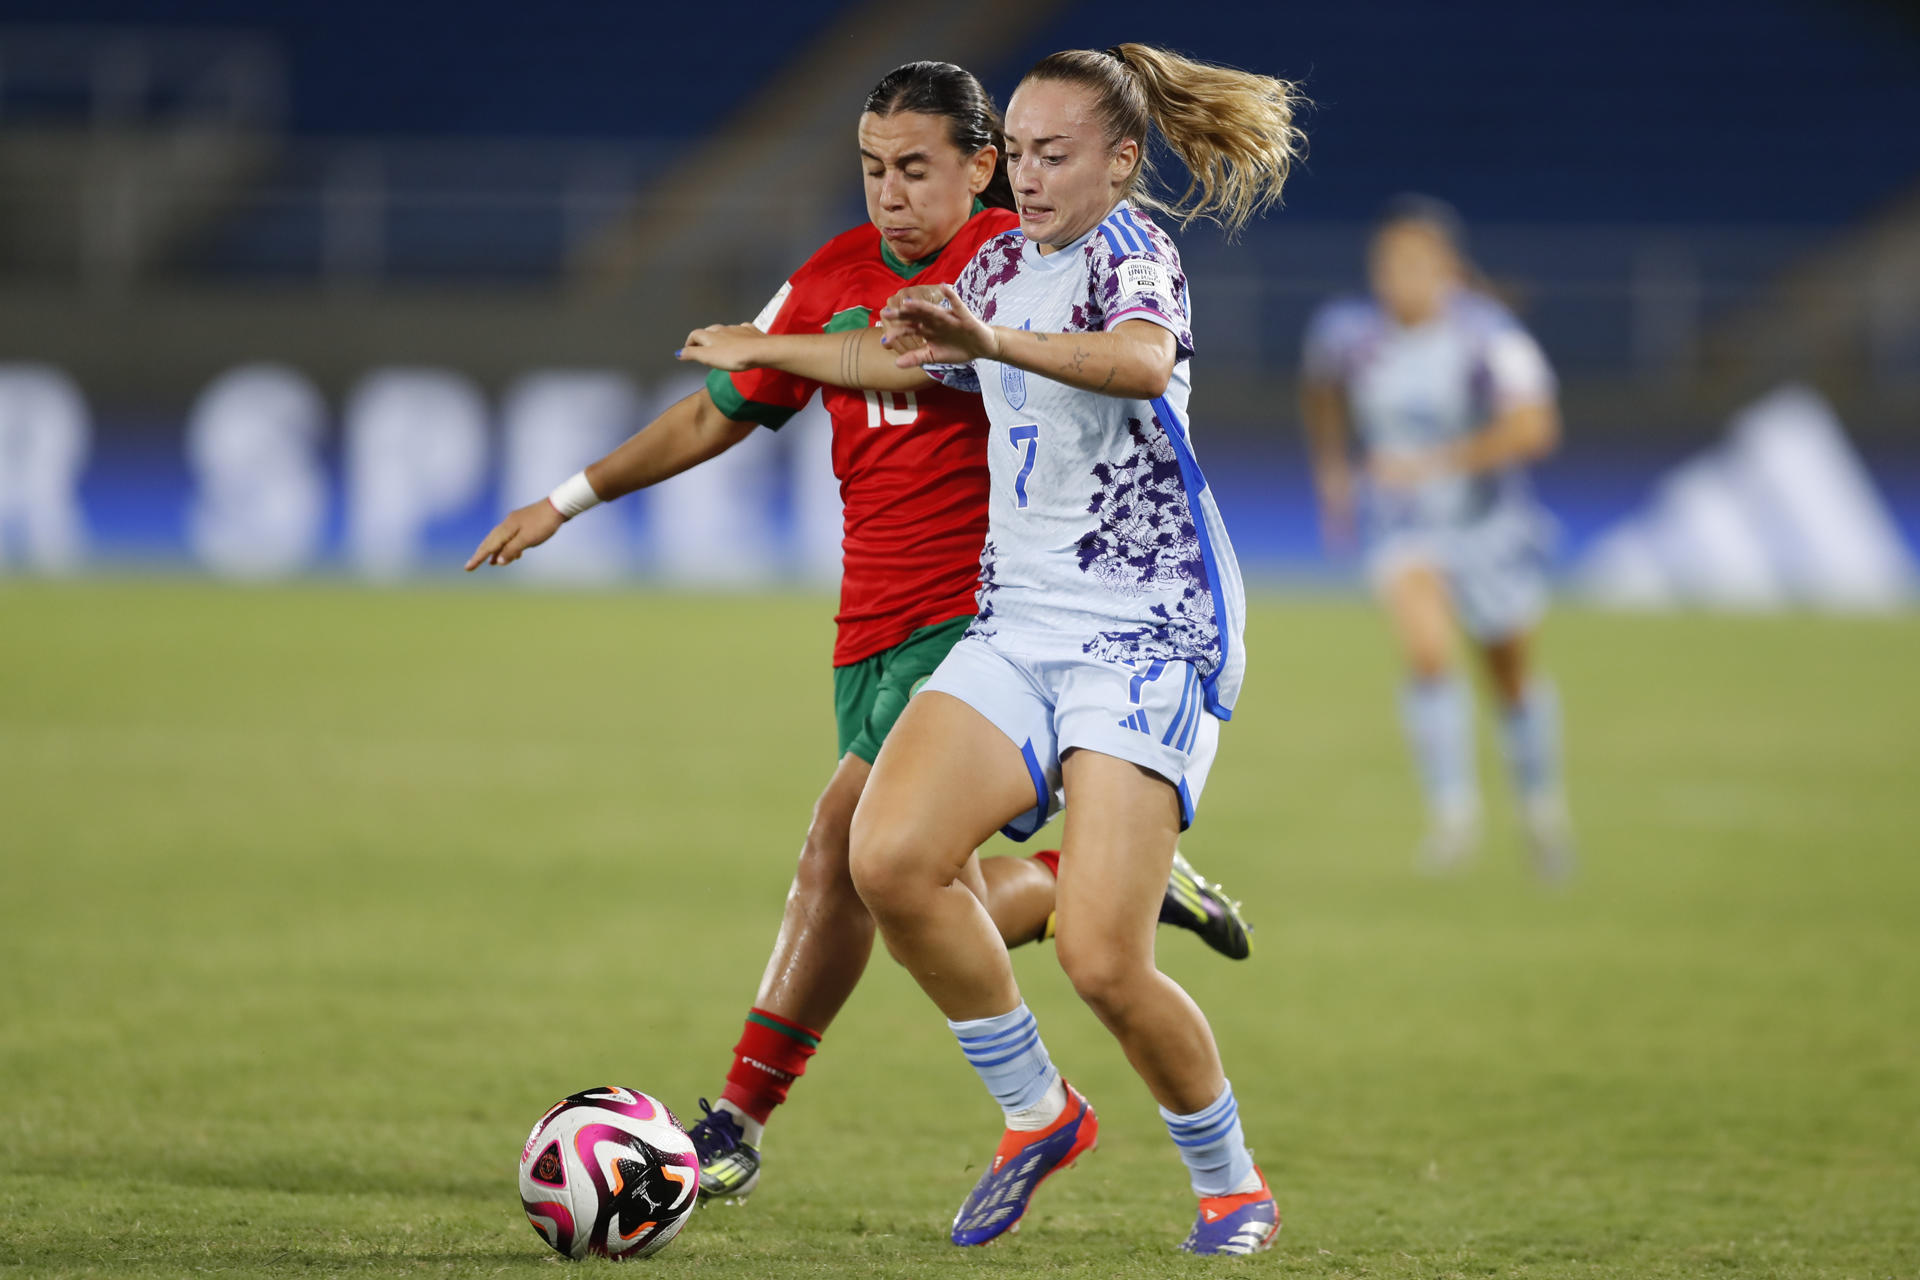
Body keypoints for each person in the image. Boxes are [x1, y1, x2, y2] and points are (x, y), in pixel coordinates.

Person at [466, 61, 1252, 1206]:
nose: (891, 193)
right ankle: (1095, 878)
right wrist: (569, 498)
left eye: (917, 168)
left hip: (985, 620)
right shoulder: (847, 272)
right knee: (920, 887)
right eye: (874, 169)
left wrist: (807, 344)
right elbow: (731, 407)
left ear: (983, 165)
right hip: (870, 629)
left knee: (845, 849)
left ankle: (739, 1115)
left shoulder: (1027, 258)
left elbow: (1122, 362)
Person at [682, 41, 1298, 1255]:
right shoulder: (1003, 261)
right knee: (889, 856)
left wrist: (995, 343)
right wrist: (769, 353)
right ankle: (1039, 1110)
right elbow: (897, 362)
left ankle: (1232, 1184)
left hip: (1144, 630)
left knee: (1102, 963)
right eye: (1017, 151)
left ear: (1123, 162)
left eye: (1053, 154)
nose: (1027, 176)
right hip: (1018, 623)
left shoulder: (1131, 256)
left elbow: (1138, 362)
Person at [1299, 196, 1573, 878]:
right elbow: (1321, 390)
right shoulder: (1348, 333)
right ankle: (1452, 818)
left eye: (1416, 265)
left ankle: (1541, 809)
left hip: (1488, 526)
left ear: (1449, 270)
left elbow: (1536, 428)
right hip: (1404, 524)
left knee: (1508, 675)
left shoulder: (1489, 338)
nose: (1400, 279)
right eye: (1389, 264)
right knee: (1427, 653)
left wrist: (1433, 463)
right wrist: (1335, 474)